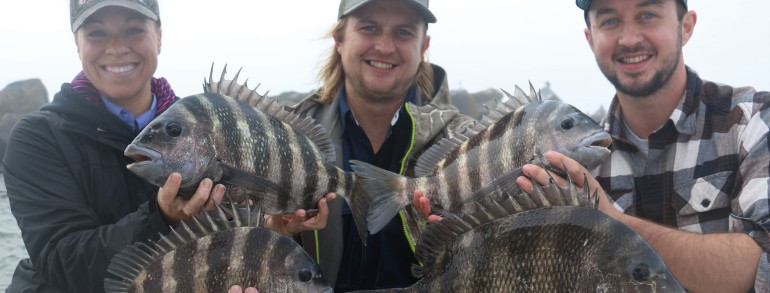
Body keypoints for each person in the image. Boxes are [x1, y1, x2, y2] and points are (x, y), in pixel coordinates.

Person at [511, 0, 770, 292]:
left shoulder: (755, 121)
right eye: (609, 21)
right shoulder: (570, 161)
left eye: (647, 15)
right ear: (590, 39)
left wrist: (610, 222)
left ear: (685, 27)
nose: (629, 39)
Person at [3, 1, 227, 292]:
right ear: (77, 44)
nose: (117, 48)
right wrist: (160, 217)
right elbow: (62, 263)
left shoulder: (211, 129)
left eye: (133, 30)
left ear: (159, 36)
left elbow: (233, 246)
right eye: (97, 33)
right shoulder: (38, 137)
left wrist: (273, 230)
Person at [260, 0, 476, 291]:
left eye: (403, 32)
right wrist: (271, 234)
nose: (385, 47)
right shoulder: (283, 139)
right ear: (339, 38)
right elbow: (230, 241)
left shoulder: (469, 144)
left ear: (423, 46)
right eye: (369, 27)